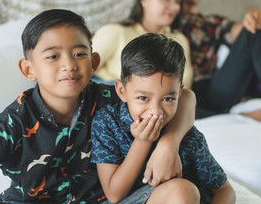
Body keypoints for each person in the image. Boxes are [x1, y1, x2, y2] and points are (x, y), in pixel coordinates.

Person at [0, 9, 196, 203]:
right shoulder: (12, 123)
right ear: (28, 69)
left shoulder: (109, 98)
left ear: (94, 62)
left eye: (79, 54)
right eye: (53, 56)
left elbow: (186, 97)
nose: (69, 65)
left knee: (180, 191)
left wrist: (169, 144)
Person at [91, 33, 236, 204]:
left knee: (184, 191)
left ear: (179, 93)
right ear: (122, 91)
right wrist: (143, 141)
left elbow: (224, 190)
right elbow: (115, 195)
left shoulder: (188, 137)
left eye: (168, 99)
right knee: (181, 190)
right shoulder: (107, 122)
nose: (155, 111)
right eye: (143, 98)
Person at [91, 0, 193, 89]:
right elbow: (82, 70)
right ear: (144, 0)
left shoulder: (179, 39)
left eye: (177, 2)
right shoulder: (115, 32)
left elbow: (185, 84)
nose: (174, 7)